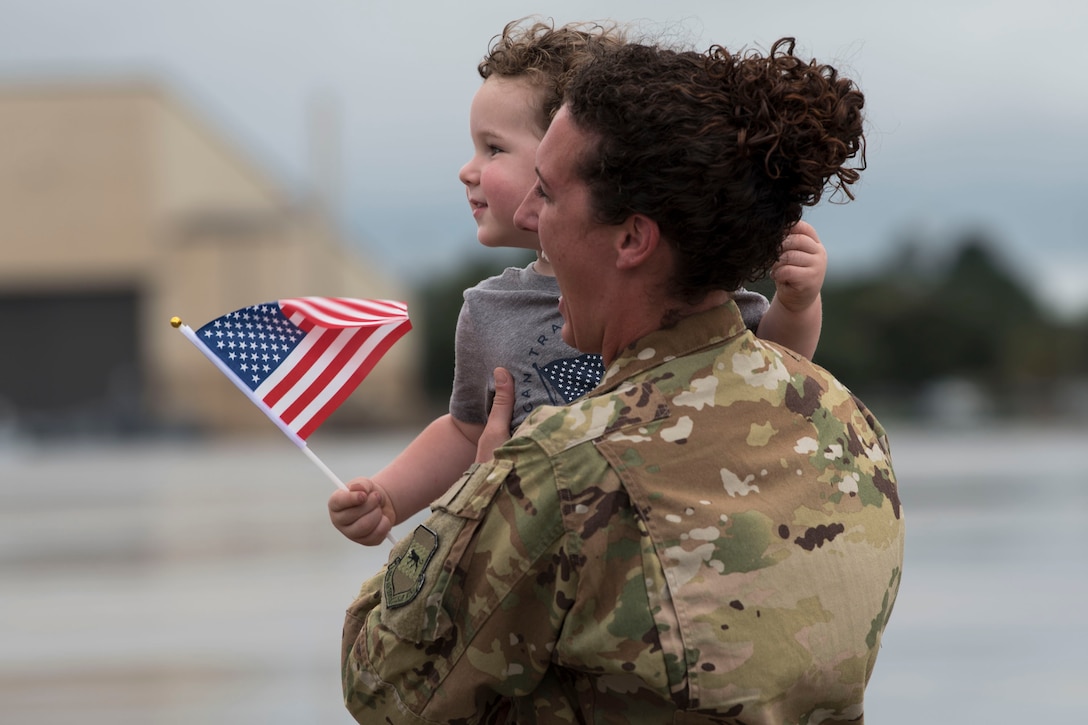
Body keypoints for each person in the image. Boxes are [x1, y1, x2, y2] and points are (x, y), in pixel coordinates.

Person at [341, 36, 903, 723]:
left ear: (633, 238)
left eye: (546, 194)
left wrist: (481, 505)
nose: (528, 218)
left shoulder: (555, 472)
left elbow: (384, 682)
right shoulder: (851, 430)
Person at [328, 19, 828, 547]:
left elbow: (771, 373)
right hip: (550, 555)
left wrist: (797, 304)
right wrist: (388, 496)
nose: (467, 170)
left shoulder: (685, 289)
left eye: (493, 149)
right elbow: (465, 431)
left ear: (573, 157)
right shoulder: (490, 309)